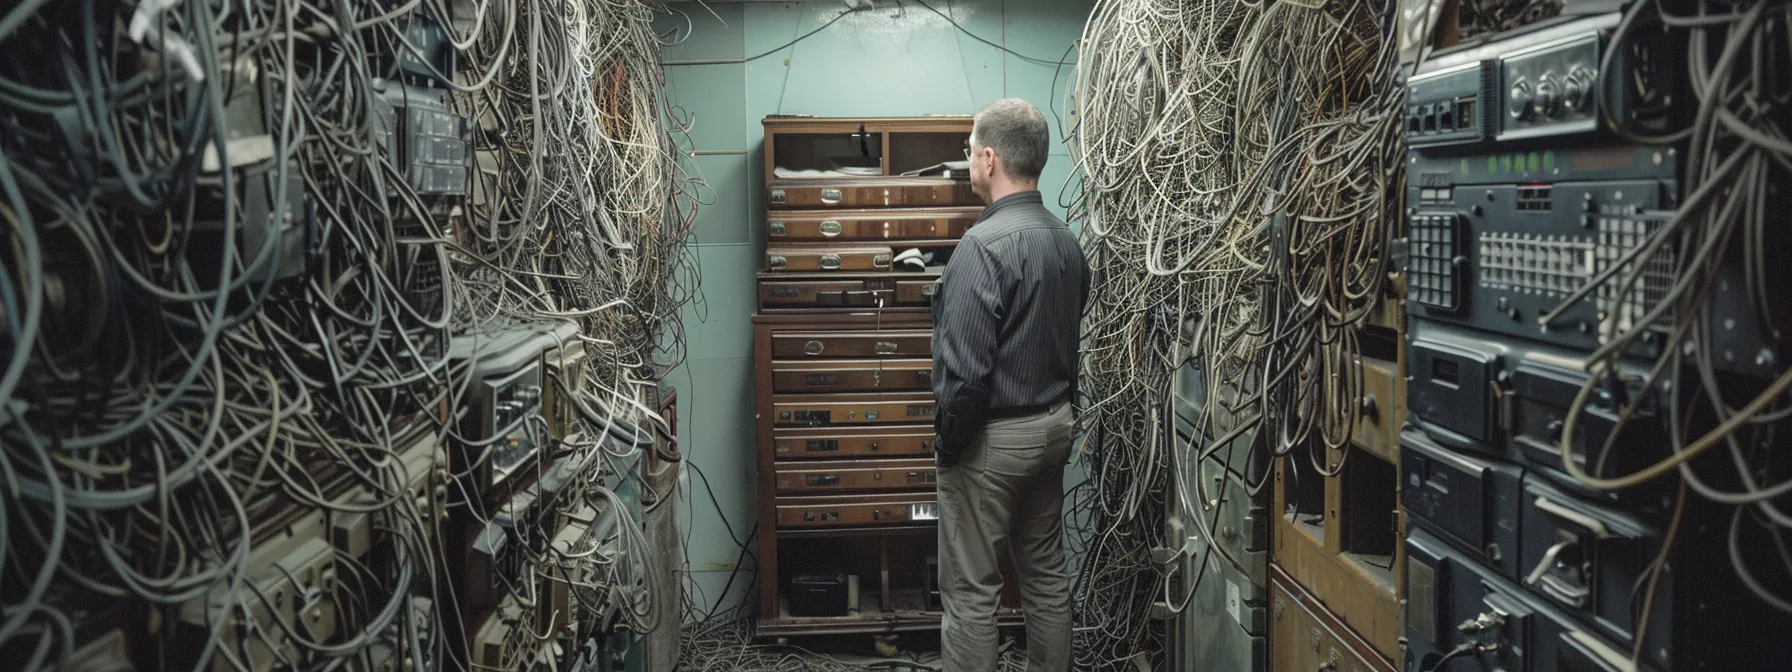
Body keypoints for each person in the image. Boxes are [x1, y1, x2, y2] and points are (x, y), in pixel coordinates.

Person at [931, 98, 1087, 672]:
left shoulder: (980, 248)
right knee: (1044, 575)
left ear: (989, 158)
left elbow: (965, 379)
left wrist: (950, 449)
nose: (970, 161)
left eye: (971, 152)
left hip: (993, 442)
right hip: (1053, 429)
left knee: (972, 593)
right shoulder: (1065, 241)